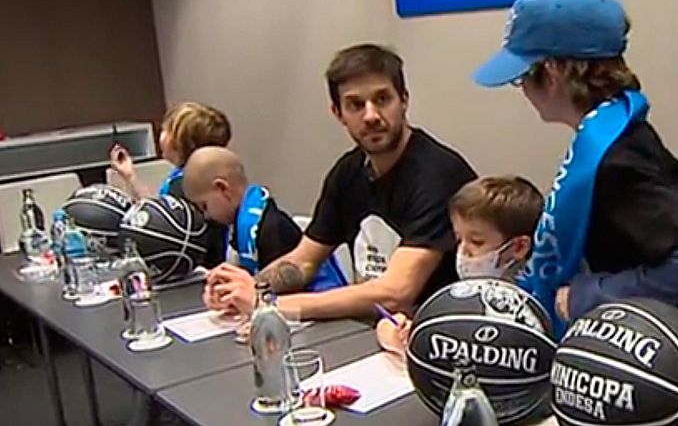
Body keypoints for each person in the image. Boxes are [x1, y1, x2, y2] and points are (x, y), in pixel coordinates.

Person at [472, 0, 678, 338]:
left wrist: (589, 295)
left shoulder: (617, 157)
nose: (524, 90)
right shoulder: (623, 130)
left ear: (555, 70)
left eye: (521, 77)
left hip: (641, 355)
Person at [205, 43, 477, 320]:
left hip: (435, 333)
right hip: (372, 329)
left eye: (382, 99)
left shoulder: (438, 174)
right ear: (338, 113)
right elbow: (304, 260)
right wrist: (248, 289)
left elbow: (397, 291)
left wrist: (270, 305)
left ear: (404, 100)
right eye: (355, 105)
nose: (371, 115)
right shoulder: (347, 172)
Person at [376, 175, 544, 354]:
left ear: (518, 247)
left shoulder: (535, 308)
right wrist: (398, 334)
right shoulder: (461, 295)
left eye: (476, 242)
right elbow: (386, 325)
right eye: (458, 239)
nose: (463, 251)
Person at [182, 146, 346, 292]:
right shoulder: (241, 224)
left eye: (204, 206)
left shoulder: (269, 228)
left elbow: (284, 289)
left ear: (222, 188)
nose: (206, 216)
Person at [110, 101, 232, 267]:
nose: (161, 134)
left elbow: (161, 227)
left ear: (180, 141)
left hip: (197, 265)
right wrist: (130, 175)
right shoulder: (186, 175)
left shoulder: (188, 184)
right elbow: (160, 214)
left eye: (165, 130)